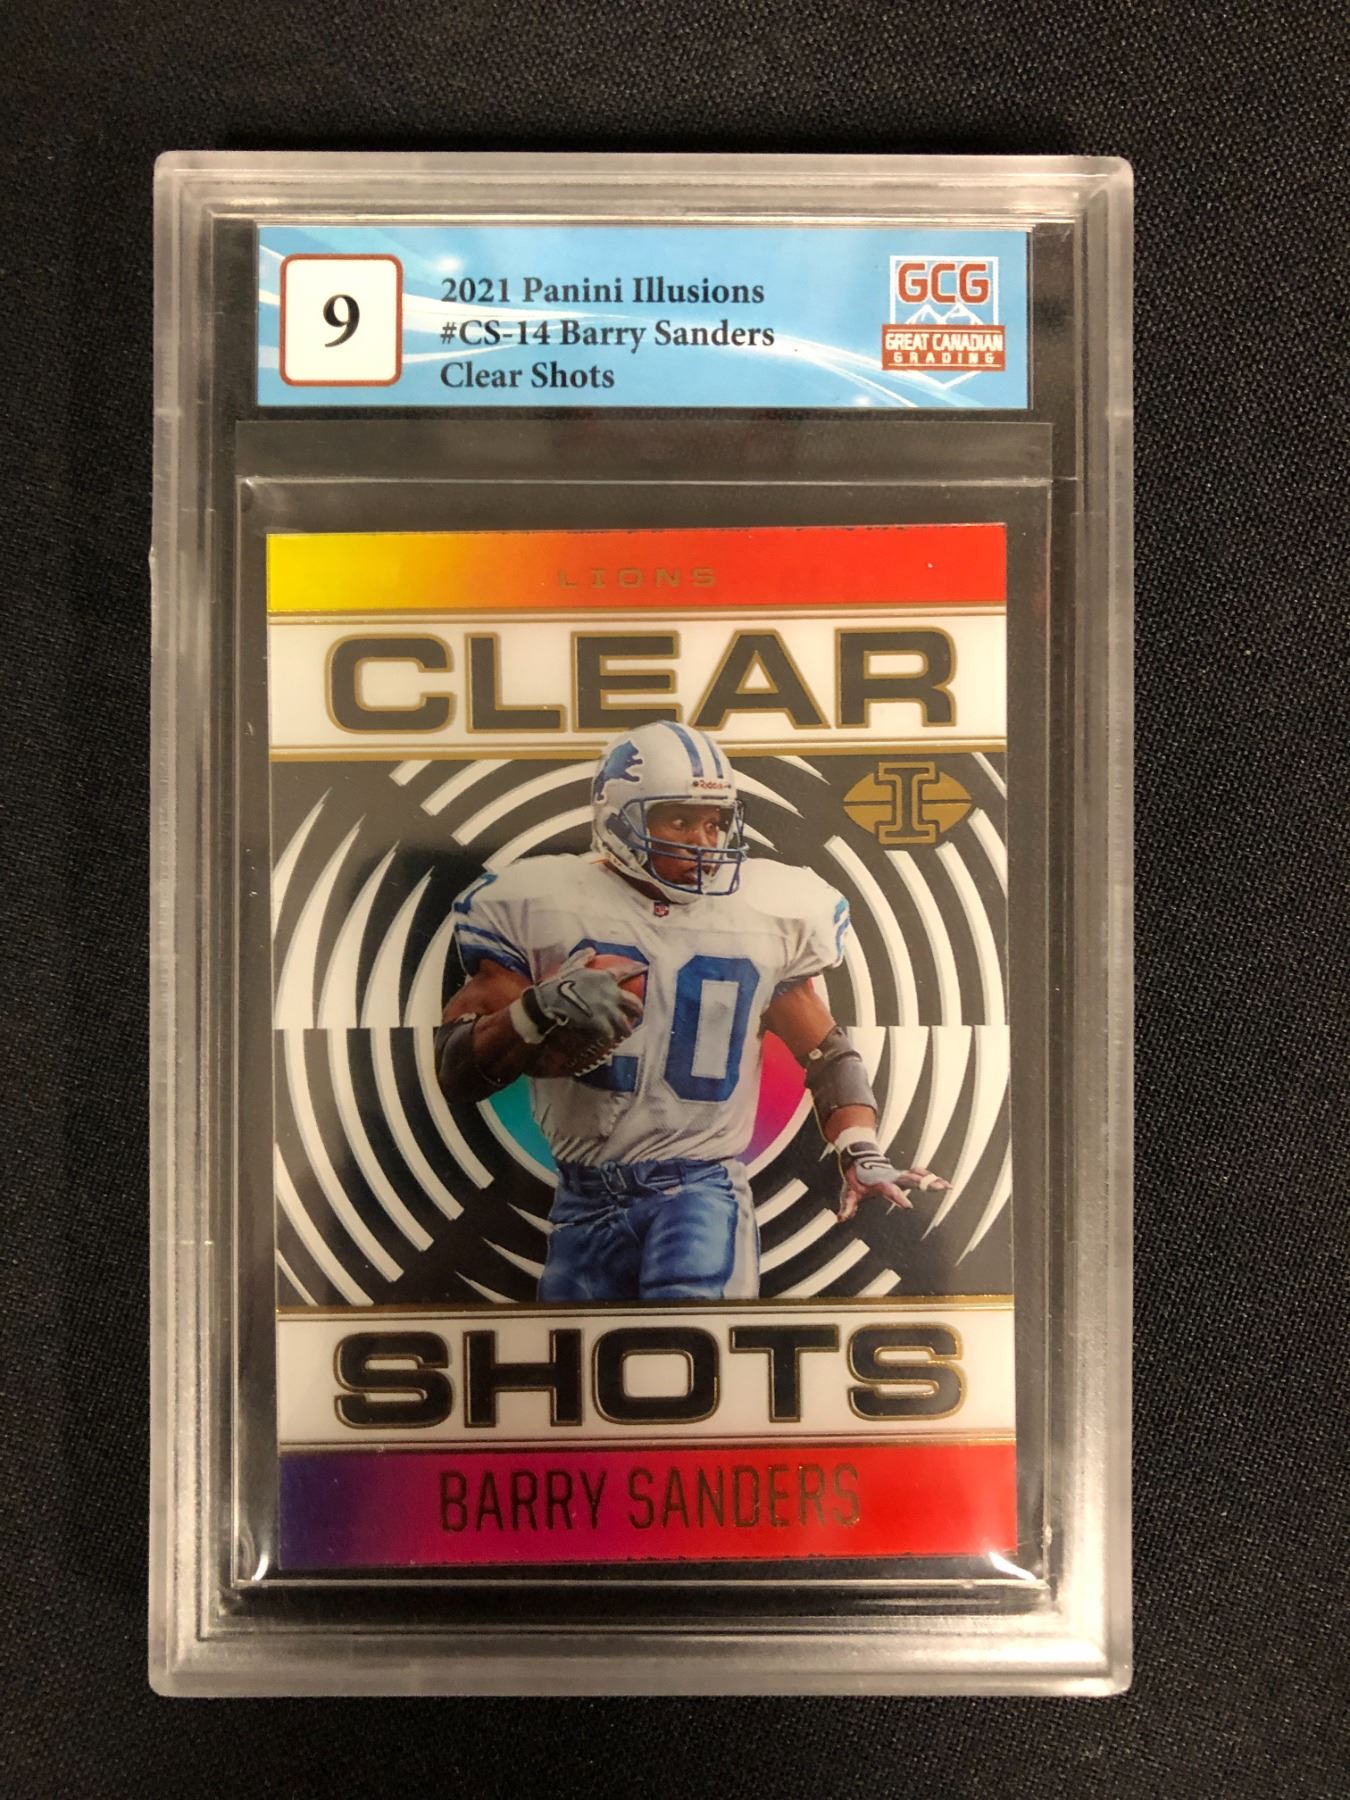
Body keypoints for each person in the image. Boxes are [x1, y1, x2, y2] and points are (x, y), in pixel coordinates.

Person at [435, 721, 946, 1301]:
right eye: (679, 821)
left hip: (698, 1192)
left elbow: (827, 1053)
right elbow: (458, 1068)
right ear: (617, 819)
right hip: (580, 1198)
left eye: (714, 822)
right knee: (576, 1345)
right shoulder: (539, 903)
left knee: (692, 1330)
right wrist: (536, 1011)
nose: (704, 842)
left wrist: (859, 1148)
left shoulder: (765, 913)